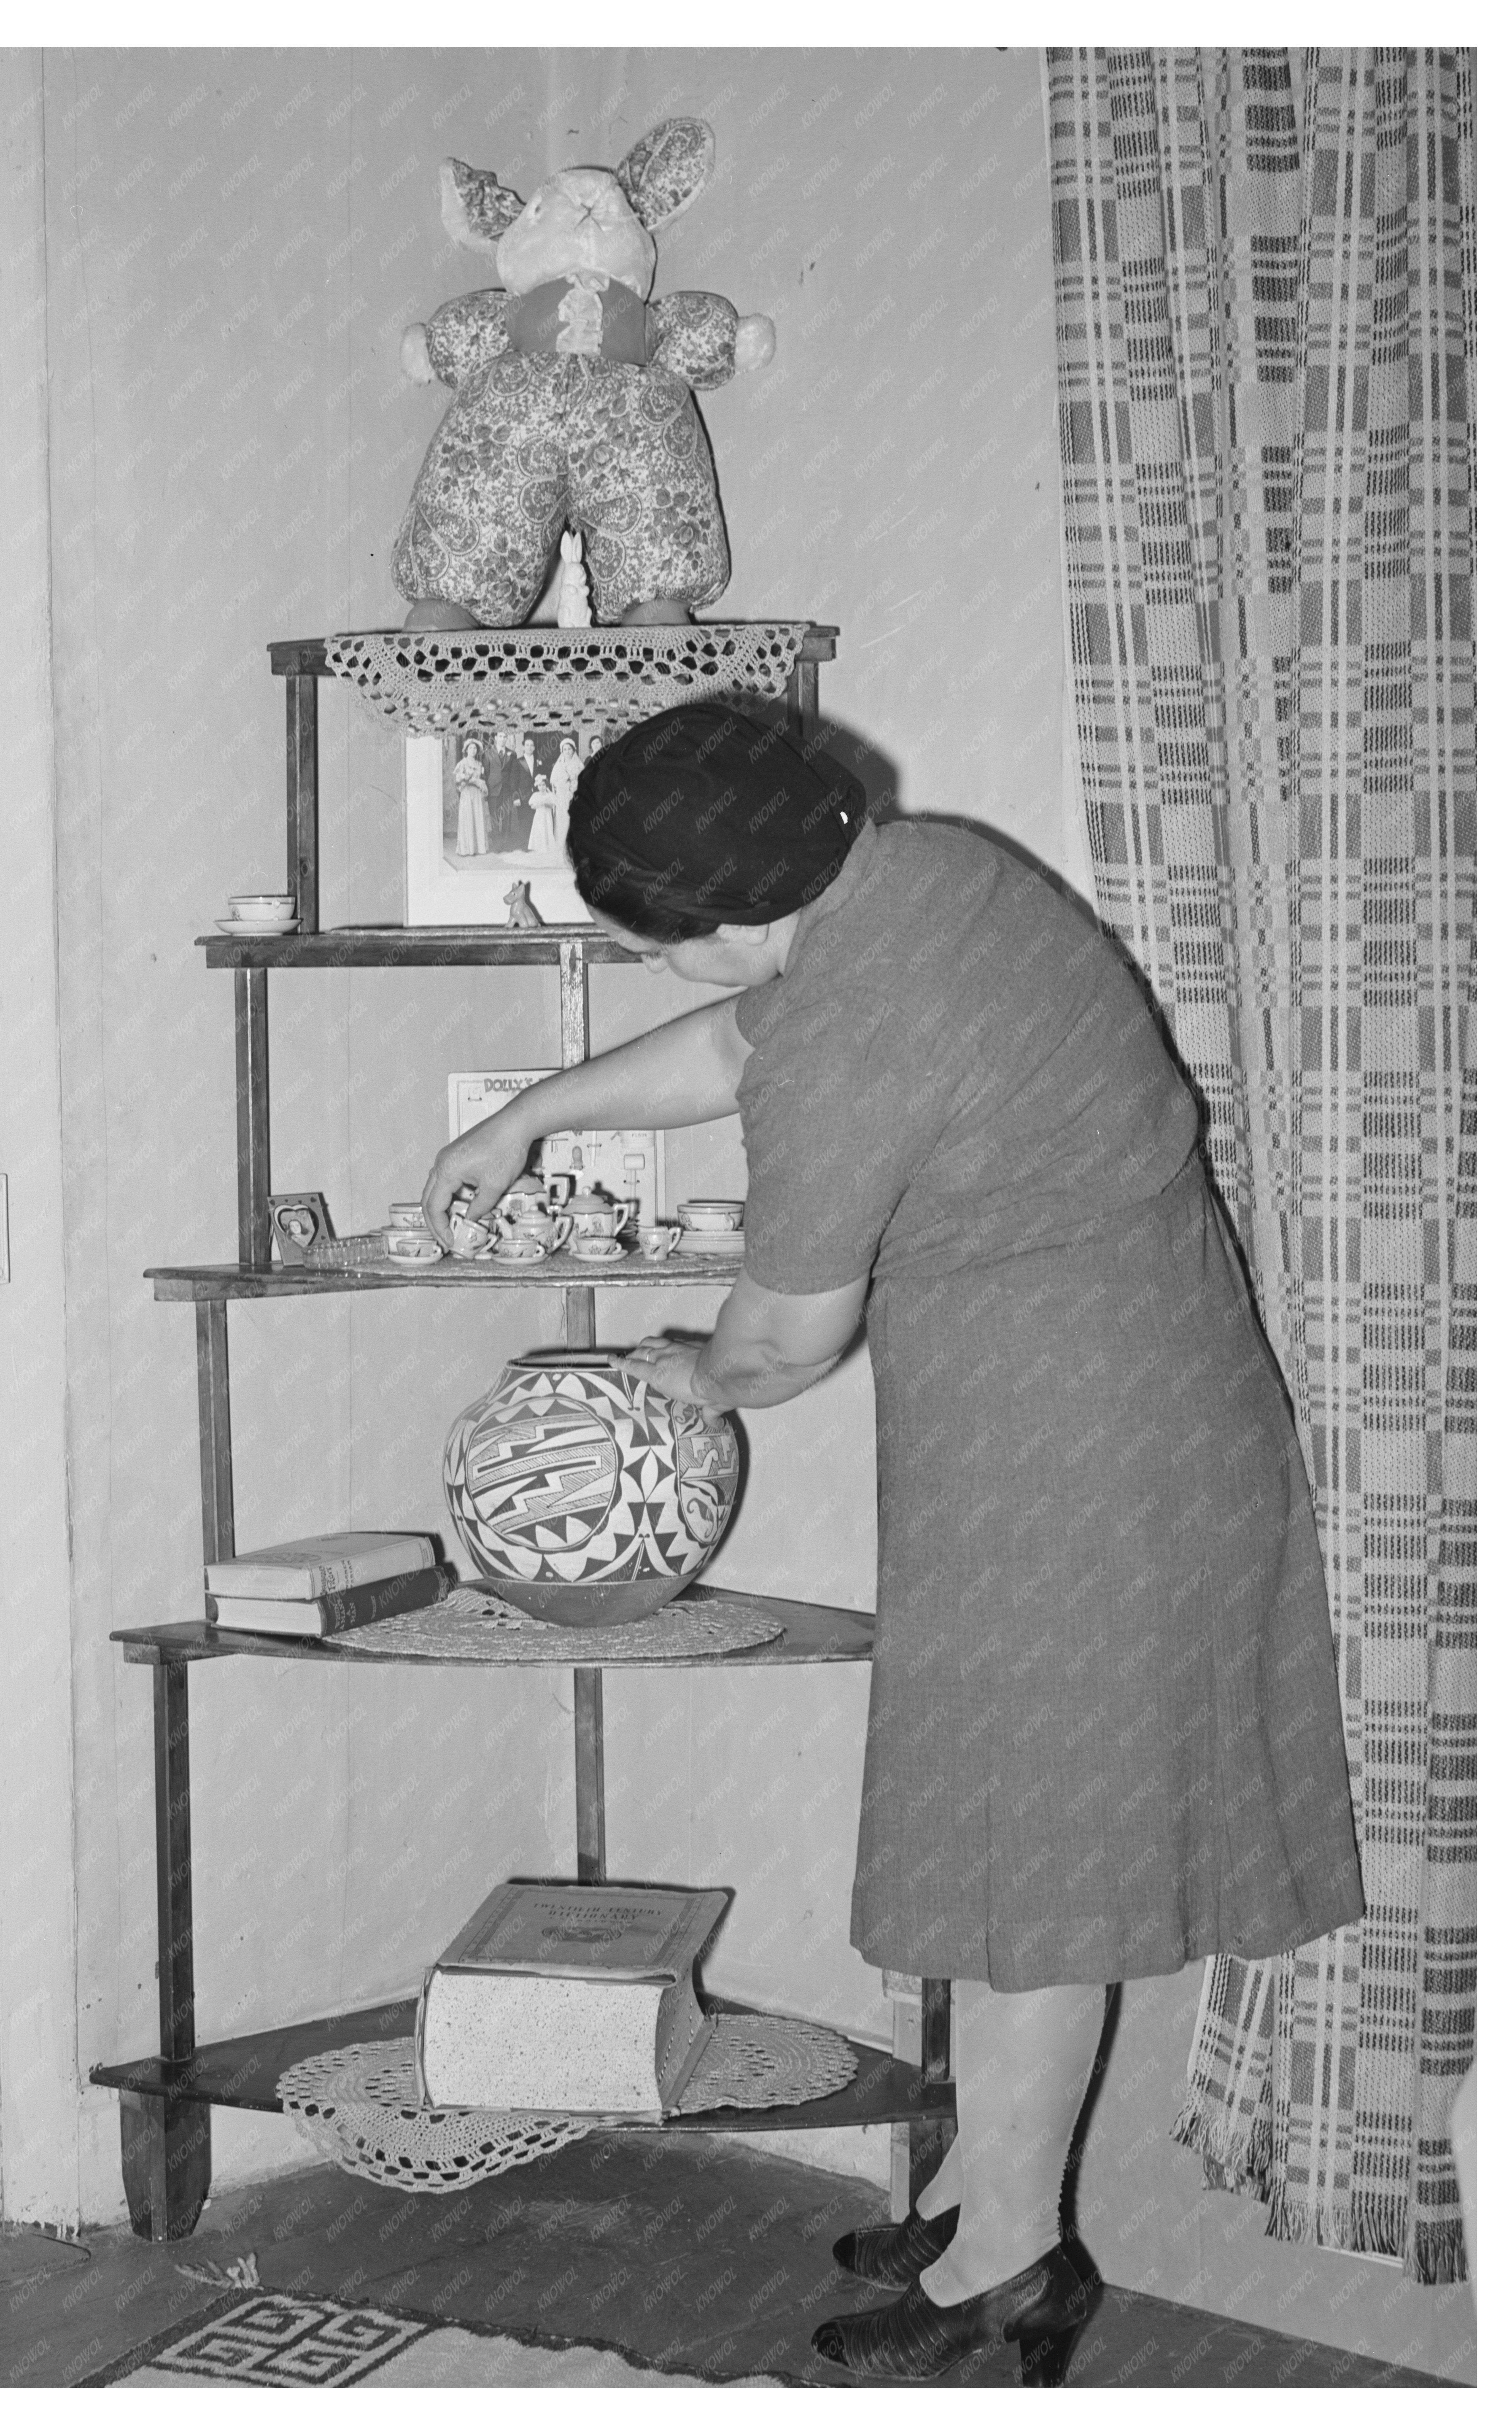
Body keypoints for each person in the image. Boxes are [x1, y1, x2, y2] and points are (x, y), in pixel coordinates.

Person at [420, 701, 1365, 2386]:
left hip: (1089, 1451)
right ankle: (980, 2193)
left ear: (721, 924)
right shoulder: (916, 872)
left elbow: (780, 1343)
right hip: (1097, 1398)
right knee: (1001, 1835)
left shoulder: (862, 1026)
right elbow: (745, 1041)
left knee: (1042, 1866)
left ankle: (1017, 2262)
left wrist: (678, 1373)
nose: (671, 973)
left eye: (661, 947)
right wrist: (535, 1114)